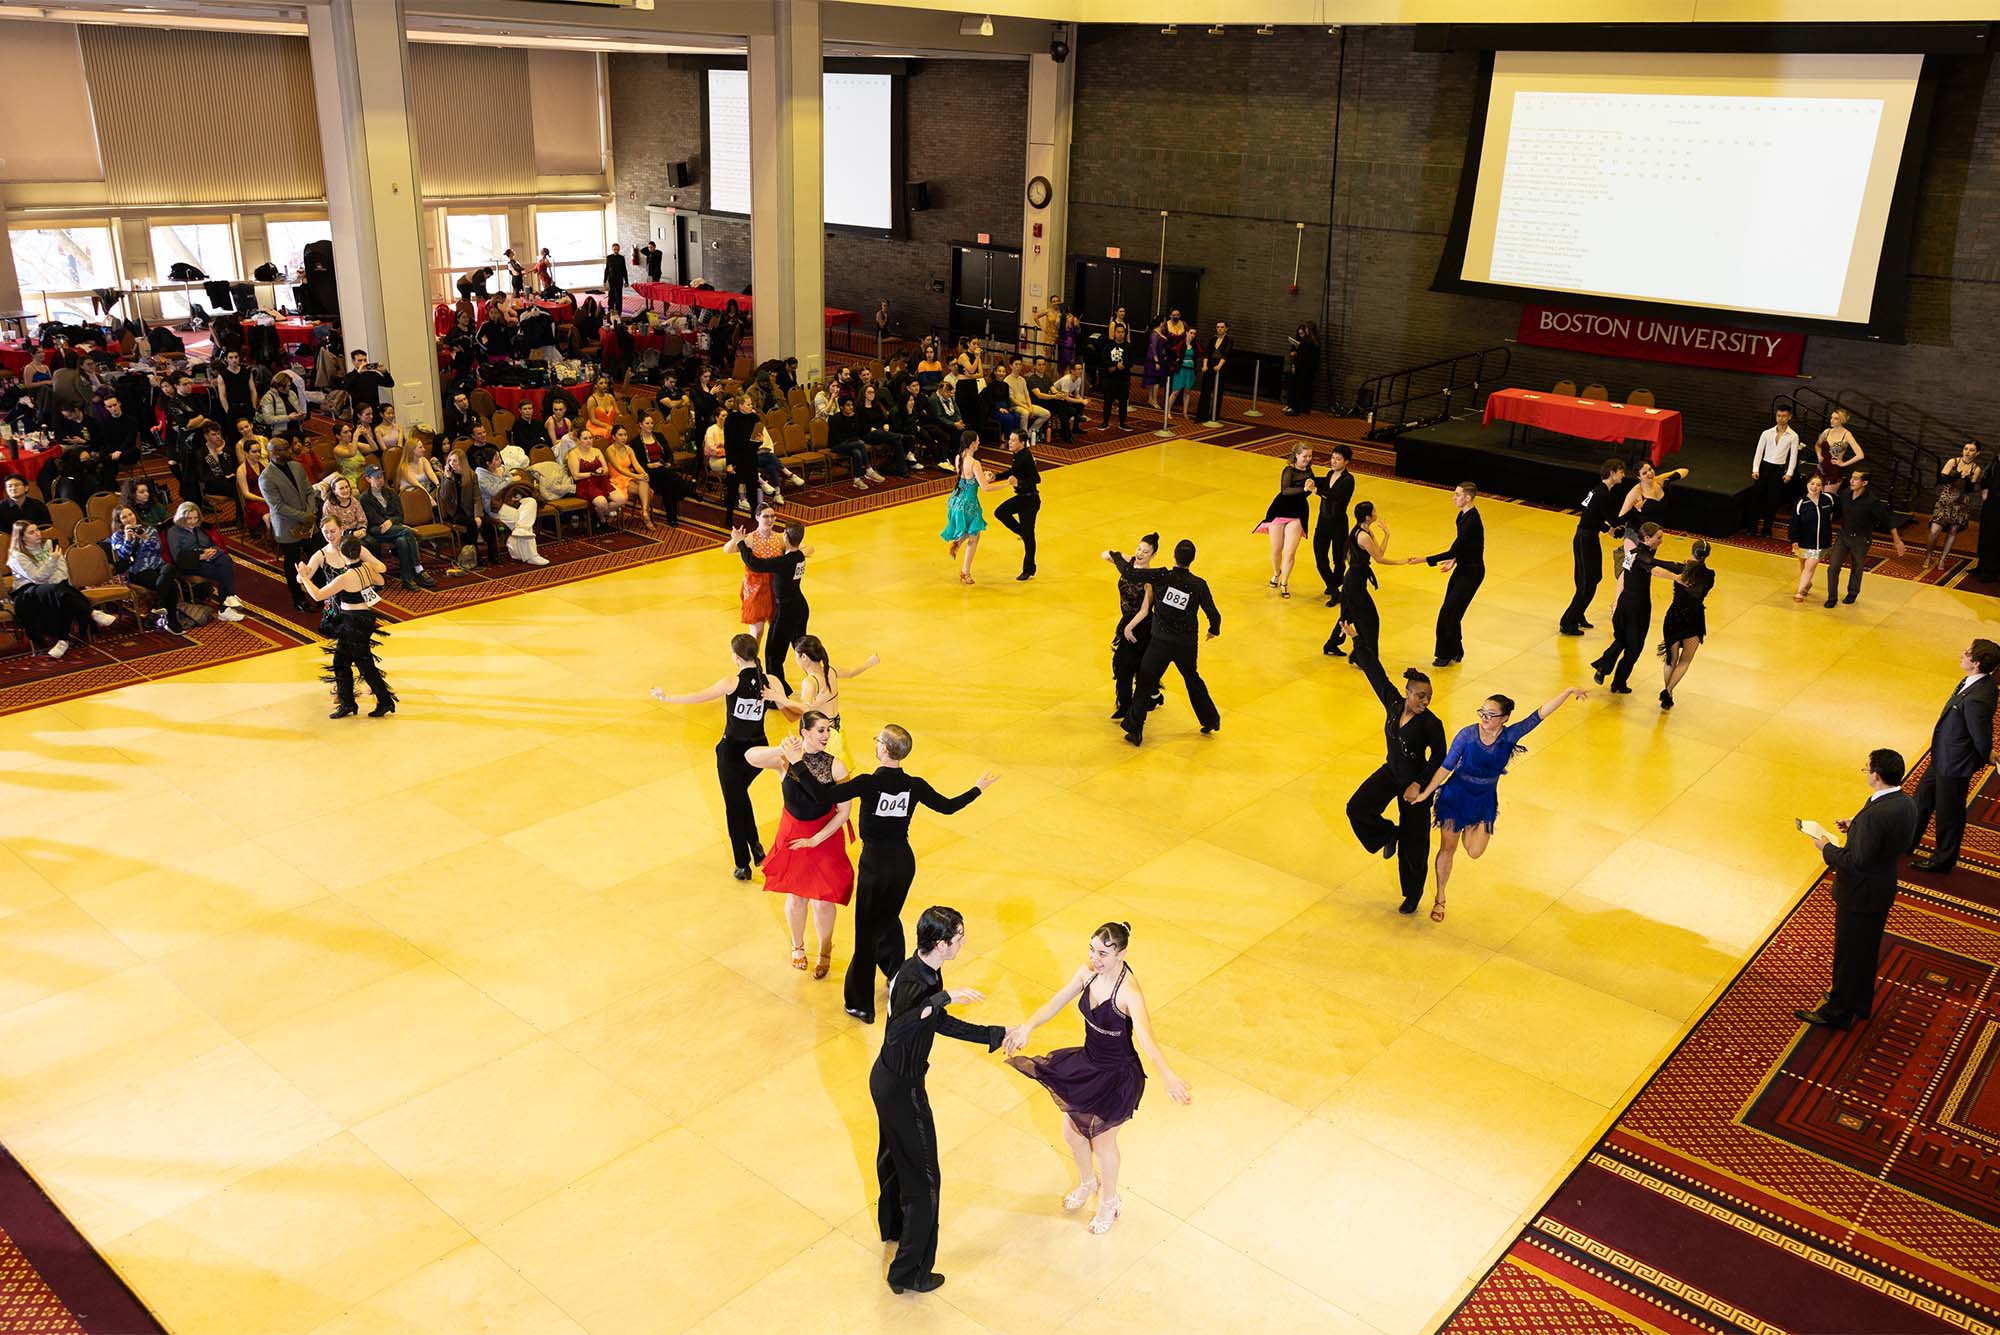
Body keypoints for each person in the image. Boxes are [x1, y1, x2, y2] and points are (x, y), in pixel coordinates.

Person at [780, 725, 994, 1022]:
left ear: (883, 748)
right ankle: (896, 976)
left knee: (866, 933)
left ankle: (860, 1004)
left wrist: (797, 763)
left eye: (878, 740)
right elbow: (948, 807)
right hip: (903, 865)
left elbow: (821, 796)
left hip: (875, 866)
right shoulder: (914, 785)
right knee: (889, 920)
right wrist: (977, 789)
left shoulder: (868, 783)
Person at [1003, 922, 1192, 1236]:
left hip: (1118, 1076)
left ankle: (1110, 1201)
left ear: (1121, 953)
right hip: (1088, 1065)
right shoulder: (1087, 972)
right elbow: (1056, 1002)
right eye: (1092, 950)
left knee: (1103, 1142)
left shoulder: (1129, 992)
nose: (1095, 958)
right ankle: (1088, 1182)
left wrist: (1167, 1075)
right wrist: (1027, 1027)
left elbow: (1146, 1039)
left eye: (1103, 953)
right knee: (1071, 1133)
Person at [870, 906, 1005, 1296]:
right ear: (942, 943)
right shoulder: (915, 980)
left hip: (887, 1079)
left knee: (894, 1158)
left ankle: (893, 1227)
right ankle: (908, 1273)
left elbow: (935, 1021)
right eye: (960, 937)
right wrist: (944, 997)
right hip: (902, 1089)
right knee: (925, 1181)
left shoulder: (924, 970)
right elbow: (898, 1029)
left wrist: (991, 1034)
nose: (964, 942)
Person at [1410, 684, 1590, 921]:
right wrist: (1426, 793)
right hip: (1456, 796)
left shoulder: (1510, 736)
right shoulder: (1467, 735)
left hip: (1484, 800)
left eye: (1491, 714)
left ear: (1504, 718)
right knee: (1447, 848)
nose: (1484, 718)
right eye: (1482, 712)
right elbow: (1446, 767)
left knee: (1474, 851)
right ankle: (1440, 897)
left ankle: (1468, 827)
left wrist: (1567, 692)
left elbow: (1539, 715)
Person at [1795, 749, 1919, 1029]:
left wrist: (1826, 848)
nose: (1866, 773)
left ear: (1877, 775)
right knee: (1866, 950)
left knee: (1848, 954)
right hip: (1882, 888)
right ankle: (1859, 1002)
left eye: (1867, 769)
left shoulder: (1875, 815)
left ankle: (1837, 1011)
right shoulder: (1905, 802)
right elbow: (1892, 839)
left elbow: (1856, 862)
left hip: (1859, 894)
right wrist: (1856, 828)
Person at [650, 634, 774, 880]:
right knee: (739, 797)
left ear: (736, 657)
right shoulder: (771, 681)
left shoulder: (731, 682)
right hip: (759, 750)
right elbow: (788, 706)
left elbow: (700, 696)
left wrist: (666, 697)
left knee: (733, 805)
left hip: (733, 754)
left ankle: (742, 863)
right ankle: (756, 846)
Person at [746, 710, 854, 977]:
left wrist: (816, 839)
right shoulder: (784, 761)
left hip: (824, 836)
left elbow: (844, 811)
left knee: (823, 900)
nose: (826, 735)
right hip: (794, 834)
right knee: (796, 897)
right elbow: (750, 756)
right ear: (804, 732)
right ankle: (798, 947)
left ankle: (825, 949)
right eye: (820, 730)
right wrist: (783, 749)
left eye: (828, 730)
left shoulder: (837, 766)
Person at [1346, 654, 1446, 913]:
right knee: (1357, 808)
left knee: (1415, 844)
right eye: (1420, 696)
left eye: (1429, 697)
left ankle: (1412, 895)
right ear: (1407, 693)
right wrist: (1358, 641)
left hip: (1417, 786)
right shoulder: (1393, 704)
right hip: (1391, 773)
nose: (1425, 701)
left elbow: (1440, 757)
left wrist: (1419, 783)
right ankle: (1389, 834)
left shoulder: (1431, 724)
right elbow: (1375, 673)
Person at [1104, 538, 1221, 745]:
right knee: (1192, 679)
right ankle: (1210, 720)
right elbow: (1214, 614)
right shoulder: (1199, 585)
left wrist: (1116, 556)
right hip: (1185, 645)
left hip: (1160, 643)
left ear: (1174, 556)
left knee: (1145, 682)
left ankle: (1135, 729)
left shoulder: (1162, 576)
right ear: (1192, 560)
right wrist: (1213, 630)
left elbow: (1130, 573)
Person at [1908, 640, 1997, 873]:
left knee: (1949, 813)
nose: (1961, 655)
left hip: (1955, 763)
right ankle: (1907, 841)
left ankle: (1943, 860)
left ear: (1977, 663)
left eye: (1967, 653)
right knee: (1922, 799)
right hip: (1943, 755)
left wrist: (1985, 755)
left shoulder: (1978, 697)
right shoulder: (1976, 682)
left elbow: (1980, 734)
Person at [297, 517, 395, 718]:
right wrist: (369, 574)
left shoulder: (344, 578)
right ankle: (353, 702)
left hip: (351, 621)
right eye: (326, 532)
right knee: (349, 661)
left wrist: (305, 577)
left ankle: (375, 701)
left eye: (332, 531)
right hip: (363, 618)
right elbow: (380, 580)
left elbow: (317, 595)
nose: (329, 535)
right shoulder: (365, 568)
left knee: (358, 663)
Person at [7, 520, 117, 657]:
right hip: (28, 592)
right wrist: (51, 561)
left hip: (54, 586)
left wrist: (53, 581)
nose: (38, 534)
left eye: (37, 530)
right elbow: (36, 577)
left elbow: (62, 569)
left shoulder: (49, 544)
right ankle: (91, 612)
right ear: (22, 538)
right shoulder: (17, 556)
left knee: (62, 596)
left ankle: (63, 640)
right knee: (61, 593)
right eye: (31, 532)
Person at [1324, 501, 1415, 663]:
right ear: (1367, 517)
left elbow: (1378, 552)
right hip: (1354, 584)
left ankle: (1334, 646)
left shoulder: (1366, 531)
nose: (1376, 513)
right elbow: (1379, 559)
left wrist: (1386, 535)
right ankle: (1364, 657)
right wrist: (1400, 562)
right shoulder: (1363, 536)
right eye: (1374, 511)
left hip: (1356, 580)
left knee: (1347, 616)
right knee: (1370, 620)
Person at [1590, 521, 1670, 694]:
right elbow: (1656, 568)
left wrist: (1617, 600)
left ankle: (1604, 666)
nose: (1661, 541)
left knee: (1622, 639)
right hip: (1637, 606)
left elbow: (1624, 575)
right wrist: (1678, 575)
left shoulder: (1632, 552)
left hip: (1625, 601)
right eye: (1658, 538)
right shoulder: (1642, 555)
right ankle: (1618, 681)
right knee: (1634, 647)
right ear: (1646, 538)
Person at [732, 518, 810, 690]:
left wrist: (741, 543)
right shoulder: (799, 556)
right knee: (802, 647)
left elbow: (755, 564)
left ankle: (778, 692)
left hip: (786, 611)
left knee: (773, 655)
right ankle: (817, 678)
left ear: (786, 537)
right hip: (801, 606)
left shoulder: (784, 562)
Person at [1559, 459, 1627, 635]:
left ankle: (1578, 614)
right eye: (1621, 471)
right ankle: (1567, 622)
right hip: (1584, 540)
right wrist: (1633, 510)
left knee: (1595, 577)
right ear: (1612, 473)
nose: (1624, 474)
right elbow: (1614, 519)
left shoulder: (1598, 490)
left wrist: (1607, 530)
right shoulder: (1601, 494)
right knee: (1586, 583)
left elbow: (1591, 515)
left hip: (1589, 538)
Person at [1823, 469, 1906, 607]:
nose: (1851, 480)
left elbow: (1887, 520)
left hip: (1861, 539)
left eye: (1856, 479)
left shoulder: (1872, 501)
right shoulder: (1845, 494)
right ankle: (1832, 597)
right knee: (1833, 567)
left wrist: (1897, 540)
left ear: (1864, 483)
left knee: (1857, 567)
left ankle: (1853, 592)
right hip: (1843, 536)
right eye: (1851, 477)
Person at [1424, 482, 1485, 667]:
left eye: (1458, 495)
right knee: (1452, 611)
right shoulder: (1462, 516)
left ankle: (1444, 654)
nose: (1454, 498)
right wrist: (1455, 559)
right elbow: (1465, 545)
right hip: (1463, 568)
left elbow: (1455, 549)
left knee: (1448, 613)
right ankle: (1456, 650)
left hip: (1472, 572)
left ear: (1468, 498)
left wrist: (1425, 559)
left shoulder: (1472, 521)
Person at [258, 438, 320, 610]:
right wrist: (304, 516)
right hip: (287, 526)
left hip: (308, 521)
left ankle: (322, 593)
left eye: (288, 447)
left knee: (317, 557)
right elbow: (278, 507)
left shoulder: (296, 466)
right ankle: (299, 598)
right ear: (273, 453)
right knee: (293, 564)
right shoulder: (266, 478)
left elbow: (309, 491)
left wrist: (310, 511)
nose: (289, 451)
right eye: (284, 449)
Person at [1654, 538, 1714, 710]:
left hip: (1675, 616)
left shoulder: (1680, 569)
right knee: (1685, 660)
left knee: (1671, 659)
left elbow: (1657, 563)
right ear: (1706, 555)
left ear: (1692, 551)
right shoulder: (1710, 575)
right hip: (1695, 617)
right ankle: (1668, 691)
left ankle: (1668, 693)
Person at [1109, 531, 1162, 721]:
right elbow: (1106, 554)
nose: (1140, 553)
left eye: (1145, 552)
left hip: (1141, 627)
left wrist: (1128, 628)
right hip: (1127, 622)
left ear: (1153, 555)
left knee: (1135, 666)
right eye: (1139, 549)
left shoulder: (1149, 580)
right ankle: (1128, 703)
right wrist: (1119, 558)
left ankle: (1132, 705)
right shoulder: (1130, 563)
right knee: (1124, 665)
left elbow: (1145, 610)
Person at [165, 502, 249, 619]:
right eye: (189, 518)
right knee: (223, 573)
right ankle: (226, 605)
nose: (193, 521)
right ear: (181, 517)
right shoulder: (173, 532)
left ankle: (229, 600)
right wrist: (200, 556)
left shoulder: (198, 528)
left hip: (207, 558)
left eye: (195, 518)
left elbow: (211, 543)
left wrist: (212, 551)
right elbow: (177, 557)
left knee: (226, 560)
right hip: (190, 563)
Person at [360, 466, 438, 591]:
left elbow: (400, 515)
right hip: (378, 531)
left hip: (395, 529)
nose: (380, 480)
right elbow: (373, 519)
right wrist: (388, 522)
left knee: (402, 541)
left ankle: (407, 579)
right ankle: (418, 568)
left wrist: (390, 522)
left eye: (382, 476)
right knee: (407, 531)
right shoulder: (365, 498)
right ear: (368, 479)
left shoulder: (391, 493)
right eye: (377, 477)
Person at [1253, 443, 1314, 598]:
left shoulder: (1309, 471)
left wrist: (1311, 488)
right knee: (1276, 549)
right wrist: (1304, 489)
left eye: (1310, 456)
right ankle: (1276, 572)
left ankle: (1284, 583)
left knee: (1290, 551)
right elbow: (1285, 491)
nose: (1308, 459)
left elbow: (1307, 492)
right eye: (1305, 456)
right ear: (1296, 456)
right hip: (1280, 510)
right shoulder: (1288, 470)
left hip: (1298, 512)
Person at [472, 445, 549, 566]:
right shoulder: (480, 475)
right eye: (496, 459)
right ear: (488, 463)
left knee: (531, 502)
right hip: (495, 506)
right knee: (519, 520)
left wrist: (511, 487)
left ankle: (517, 539)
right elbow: (494, 491)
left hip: (511, 500)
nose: (500, 461)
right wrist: (509, 480)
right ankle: (532, 555)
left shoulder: (502, 468)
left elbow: (512, 484)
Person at [107, 506, 180, 632]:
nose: (129, 518)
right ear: (119, 521)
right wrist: (128, 540)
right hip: (138, 571)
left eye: (130, 514)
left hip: (158, 566)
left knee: (169, 569)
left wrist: (146, 538)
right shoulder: (117, 536)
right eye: (124, 517)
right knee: (171, 585)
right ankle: (171, 620)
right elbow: (124, 556)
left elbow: (158, 548)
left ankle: (158, 607)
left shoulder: (149, 530)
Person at [1921, 441, 1984, 572]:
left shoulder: (1976, 469)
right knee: (1934, 531)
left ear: (1977, 453)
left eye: (1971, 450)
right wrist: (1957, 475)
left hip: (1960, 503)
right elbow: (1941, 479)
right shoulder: (1953, 462)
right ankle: (1928, 556)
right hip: (1946, 500)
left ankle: (1943, 559)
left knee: (1952, 531)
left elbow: (1970, 489)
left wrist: (1967, 479)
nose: (1967, 452)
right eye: (1965, 449)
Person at [940, 434, 994, 584]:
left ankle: (958, 544)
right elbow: (985, 488)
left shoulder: (958, 458)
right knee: (974, 536)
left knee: (970, 530)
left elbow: (968, 478)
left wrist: (983, 476)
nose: (979, 443)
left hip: (956, 500)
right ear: (972, 444)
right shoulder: (975, 463)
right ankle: (965, 572)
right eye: (977, 441)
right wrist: (1006, 484)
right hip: (969, 505)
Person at [991, 429, 1041, 581]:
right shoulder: (1017, 455)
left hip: (1030, 501)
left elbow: (1036, 479)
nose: (1009, 443)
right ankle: (1021, 532)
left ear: (1022, 443)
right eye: (1010, 439)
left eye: (1013, 440)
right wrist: (996, 476)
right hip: (1022, 498)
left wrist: (1019, 482)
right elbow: (1013, 471)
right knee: (1000, 512)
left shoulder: (1026, 457)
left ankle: (1029, 568)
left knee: (1029, 537)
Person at [1746, 406, 1802, 538]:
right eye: (1778, 416)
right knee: (1756, 498)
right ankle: (1752, 527)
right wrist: (1755, 469)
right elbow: (1759, 451)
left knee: (1772, 500)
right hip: (1764, 467)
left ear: (1789, 417)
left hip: (1778, 469)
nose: (1781, 419)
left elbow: (1793, 456)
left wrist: (1789, 473)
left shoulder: (1793, 436)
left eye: (1784, 416)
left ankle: (1767, 529)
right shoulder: (1766, 433)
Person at [1312, 444, 1355, 605]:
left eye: (1338, 459)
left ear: (1346, 462)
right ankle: (1334, 588)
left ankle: (1335, 587)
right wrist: (1309, 477)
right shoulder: (1330, 474)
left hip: (1338, 525)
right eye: (1332, 457)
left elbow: (1334, 496)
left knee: (1338, 559)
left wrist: (1316, 490)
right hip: (1323, 522)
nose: (1333, 461)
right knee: (1320, 558)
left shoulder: (1348, 480)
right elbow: (1323, 482)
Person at [1790, 473, 1836, 603]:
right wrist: (1794, 539)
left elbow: (1833, 514)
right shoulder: (1801, 503)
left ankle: (1799, 592)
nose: (1814, 487)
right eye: (1812, 484)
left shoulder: (1828, 499)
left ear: (1822, 487)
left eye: (1818, 485)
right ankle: (1807, 584)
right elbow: (1794, 523)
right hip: (1804, 541)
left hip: (1821, 542)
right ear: (1807, 485)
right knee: (1804, 564)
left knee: (1810, 566)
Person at [1616, 461, 1690, 531]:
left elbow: (1684, 471)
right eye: (1644, 473)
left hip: (1655, 532)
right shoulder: (1636, 492)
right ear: (1639, 477)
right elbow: (1620, 519)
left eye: (1650, 469)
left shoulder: (1659, 480)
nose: (1649, 473)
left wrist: (1669, 479)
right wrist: (1634, 510)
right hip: (1636, 532)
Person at [1815, 408, 1865, 492]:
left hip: (1833, 470)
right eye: (1831, 417)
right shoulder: (1827, 431)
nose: (1832, 420)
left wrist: (1843, 464)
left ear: (1842, 420)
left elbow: (1860, 455)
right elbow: (1817, 445)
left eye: (1836, 418)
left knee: (1827, 496)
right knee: (1814, 493)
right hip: (1821, 468)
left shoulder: (1847, 435)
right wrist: (1819, 455)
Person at [1195, 320, 1232, 421]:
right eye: (1218, 327)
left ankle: (1214, 416)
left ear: (1226, 329)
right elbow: (1207, 353)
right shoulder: (1212, 339)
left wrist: (1219, 366)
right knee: (1205, 391)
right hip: (1210, 366)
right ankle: (1201, 416)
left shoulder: (1229, 340)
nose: (1220, 329)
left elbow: (1226, 354)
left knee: (1218, 392)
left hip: (1221, 367)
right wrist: (1204, 365)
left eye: (1222, 327)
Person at [1284, 321, 1320, 416]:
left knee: (1298, 389)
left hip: (1302, 368)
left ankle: (1296, 410)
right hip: (1311, 369)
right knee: (1307, 389)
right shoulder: (1316, 341)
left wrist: (1294, 365)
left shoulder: (1305, 341)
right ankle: (1306, 409)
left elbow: (1300, 356)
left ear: (1308, 329)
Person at [1099, 343, 1131, 431]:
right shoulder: (1108, 346)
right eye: (1118, 334)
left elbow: (1130, 362)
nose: (1120, 335)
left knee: (1123, 402)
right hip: (1110, 379)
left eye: (1122, 334)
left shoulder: (1128, 347)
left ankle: (1122, 423)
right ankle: (1105, 422)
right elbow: (1104, 360)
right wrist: (1116, 365)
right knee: (1108, 401)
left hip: (1123, 379)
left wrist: (1122, 366)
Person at [603, 242, 627, 317]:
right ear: (612, 249)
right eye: (614, 249)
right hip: (611, 279)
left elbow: (624, 270)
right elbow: (607, 269)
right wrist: (604, 280)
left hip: (619, 279)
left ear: (619, 249)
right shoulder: (609, 257)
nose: (616, 251)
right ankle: (610, 310)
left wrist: (626, 281)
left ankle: (618, 312)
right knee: (611, 295)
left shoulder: (621, 258)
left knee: (619, 296)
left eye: (617, 249)